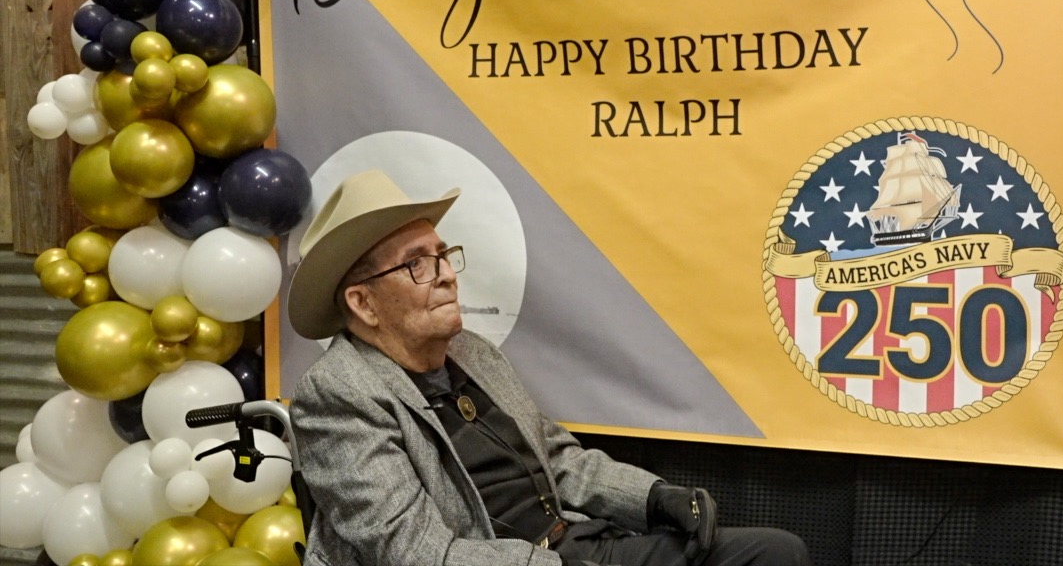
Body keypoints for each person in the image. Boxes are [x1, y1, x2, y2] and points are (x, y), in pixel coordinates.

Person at [288, 169, 813, 566]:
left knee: (774, 553)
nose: (447, 275)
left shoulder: (473, 352)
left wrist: (654, 499)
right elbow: (413, 550)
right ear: (364, 304)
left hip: (571, 542)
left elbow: (558, 461)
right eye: (417, 264)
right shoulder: (338, 393)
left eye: (443, 255)